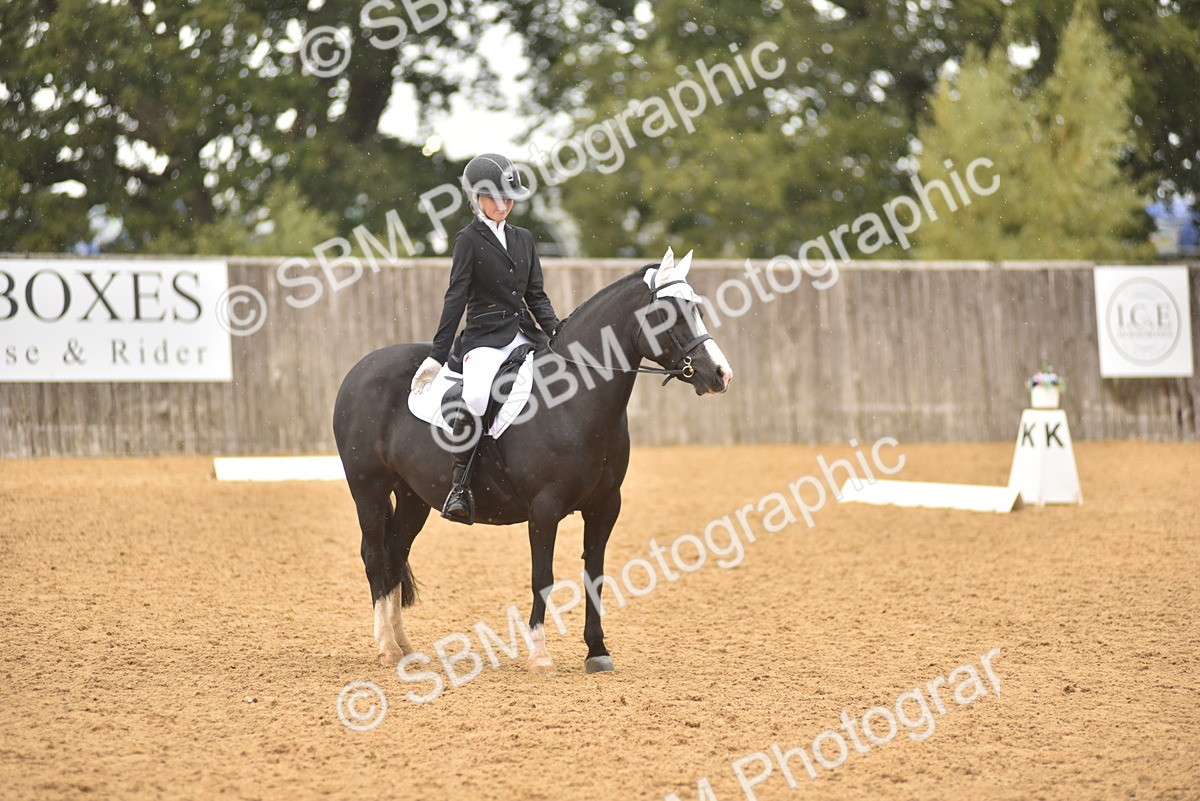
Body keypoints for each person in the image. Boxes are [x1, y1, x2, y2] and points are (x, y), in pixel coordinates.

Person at [410, 153, 562, 523]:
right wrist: (437, 354)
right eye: (495, 197)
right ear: (476, 198)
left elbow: (535, 295)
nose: (504, 205)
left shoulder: (523, 238)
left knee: (560, 377)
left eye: (509, 198)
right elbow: (456, 297)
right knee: (477, 395)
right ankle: (460, 486)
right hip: (484, 338)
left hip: (524, 333)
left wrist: (557, 331)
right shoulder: (468, 240)